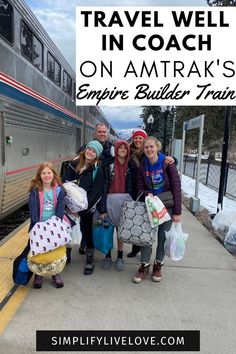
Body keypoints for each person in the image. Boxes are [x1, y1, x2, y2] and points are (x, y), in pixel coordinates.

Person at [133, 136, 181, 283]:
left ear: (157, 147)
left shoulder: (168, 164)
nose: (149, 150)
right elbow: (139, 187)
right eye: (146, 147)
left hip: (167, 207)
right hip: (151, 206)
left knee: (162, 238)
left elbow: (176, 187)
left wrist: (178, 212)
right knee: (146, 237)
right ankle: (144, 267)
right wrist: (147, 194)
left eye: (151, 147)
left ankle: (158, 266)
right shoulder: (143, 165)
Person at [63, 140, 105, 275]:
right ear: (86, 149)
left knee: (87, 231)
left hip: (86, 207)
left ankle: (89, 258)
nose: (90, 152)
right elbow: (64, 182)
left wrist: (85, 207)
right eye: (89, 149)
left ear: (97, 155)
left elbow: (97, 191)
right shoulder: (73, 165)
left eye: (94, 151)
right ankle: (67, 253)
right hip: (70, 206)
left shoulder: (97, 170)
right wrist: (68, 205)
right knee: (68, 229)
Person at [76, 123, 114, 254]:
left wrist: (172, 159)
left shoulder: (111, 150)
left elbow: (128, 155)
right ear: (94, 133)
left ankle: (91, 243)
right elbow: (78, 164)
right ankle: (84, 240)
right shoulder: (85, 148)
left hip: (103, 188)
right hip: (87, 191)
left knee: (97, 219)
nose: (102, 134)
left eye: (104, 132)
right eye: (100, 132)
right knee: (85, 219)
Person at [28, 162, 65, 289]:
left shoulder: (59, 190)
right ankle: (39, 274)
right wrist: (36, 227)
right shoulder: (35, 191)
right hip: (39, 225)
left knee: (55, 251)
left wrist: (55, 225)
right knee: (39, 251)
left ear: (54, 174)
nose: (46, 175)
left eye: (49, 172)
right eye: (43, 173)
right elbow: (33, 210)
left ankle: (56, 273)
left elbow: (60, 209)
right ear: (39, 175)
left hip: (54, 226)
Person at [101, 140, 136, 271]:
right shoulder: (108, 164)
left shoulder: (131, 165)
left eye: (125, 148)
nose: (122, 150)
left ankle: (120, 256)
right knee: (108, 229)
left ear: (128, 150)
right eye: (120, 148)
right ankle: (107, 255)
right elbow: (104, 185)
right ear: (115, 150)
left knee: (121, 230)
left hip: (125, 200)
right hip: (110, 199)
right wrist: (102, 207)